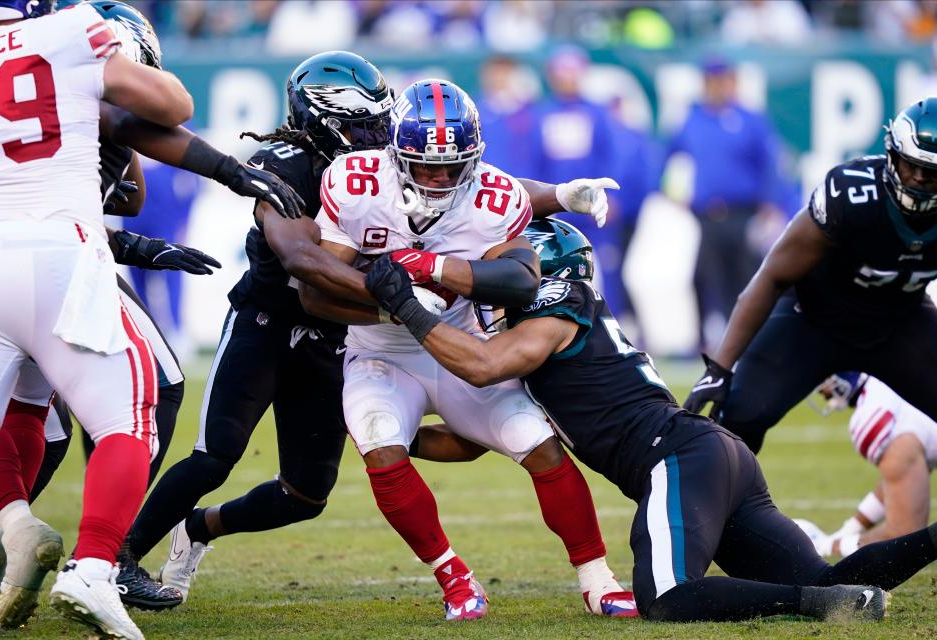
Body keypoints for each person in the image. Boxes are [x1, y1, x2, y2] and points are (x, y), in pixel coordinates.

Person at [117, 52, 622, 612]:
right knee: (216, 455)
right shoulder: (287, 164)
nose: (377, 135)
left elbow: (465, 178)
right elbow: (302, 260)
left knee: (305, 494)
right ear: (322, 123)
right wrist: (403, 297)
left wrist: (557, 194)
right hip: (274, 319)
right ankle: (118, 556)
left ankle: (199, 528)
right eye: (365, 126)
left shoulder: (391, 166)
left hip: (344, 329)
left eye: (382, 122)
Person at [363, 216, 937, 622]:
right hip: (709, 453)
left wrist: (409, 308)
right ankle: (850, 585)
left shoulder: (554, 312)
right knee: (824, 579)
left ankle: (812, 606)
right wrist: (390, 436)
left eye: (512, 265)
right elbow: (469, 440)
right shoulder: (541, 334)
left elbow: (484, 368)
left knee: (666, 597)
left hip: (677, 455)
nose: (495, 279)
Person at [291, 77, 631, 621]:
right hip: (379, 349)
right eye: (424, 164)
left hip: (457, 343)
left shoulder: (492, 197)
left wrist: (436, 271)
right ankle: (454, 579)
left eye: (452, 166)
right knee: (381, 443)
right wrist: (399, 305)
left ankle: (598, 579)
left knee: (536, 441)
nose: (437, 177)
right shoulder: (356, 183)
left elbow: (520, 280)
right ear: (395, 153)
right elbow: (316, 293)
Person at [0, 1, 194, 637]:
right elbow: (173, 106)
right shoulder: (65, 33)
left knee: (18, 415)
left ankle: (11, 525)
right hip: (58, 257)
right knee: (137, 408)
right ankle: (101, 564)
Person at [683, 98, 937, 454]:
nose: (920, 179)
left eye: (932, 171)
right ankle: (728, 509)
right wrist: (721, 367)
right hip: (813, 323)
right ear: (892, 154)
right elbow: (772, 276)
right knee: (738, 417)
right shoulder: (852, 193)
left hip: (899, 323)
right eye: (912, 166)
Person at [666, 57, 785, 348]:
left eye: (723, 80)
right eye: (712, 81)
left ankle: (751, 336)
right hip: (706, 214)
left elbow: (770, 162)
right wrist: (674, 193)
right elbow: (670, 159)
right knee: (703, 276)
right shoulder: (694, 120)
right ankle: (703, 339)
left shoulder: (749, 120)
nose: (718, 87)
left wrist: (771, 201)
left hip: (742, 212)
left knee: (745, 277)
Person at [796, 373, 937, 558]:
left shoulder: (876, 413)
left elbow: (906, 538)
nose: (821, 390)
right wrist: (850, 529)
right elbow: (905, 477)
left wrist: (831, 547)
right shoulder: (891, 384)